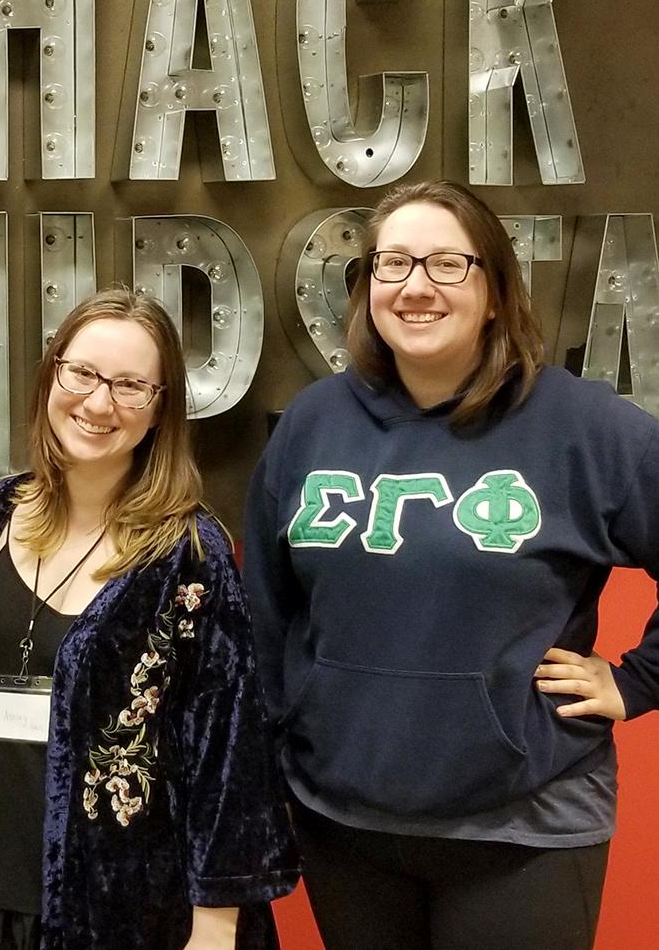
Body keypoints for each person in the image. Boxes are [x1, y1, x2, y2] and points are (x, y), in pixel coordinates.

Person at [243, 180, 659, 950]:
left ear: (496, 290)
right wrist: (283, 734)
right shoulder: (313, 423)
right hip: (346, 823)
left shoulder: (582, 426)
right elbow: (265, 612)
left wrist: (636, 682)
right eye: (392, 264)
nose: (415, 286)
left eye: (447, 263)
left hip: (522, 826)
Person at [0, 287, 298, 950]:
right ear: (52, 371)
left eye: (129, 385)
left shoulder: (189, 554)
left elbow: (230, 755)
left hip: (120, 911)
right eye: (82, 372)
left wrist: (216, 927)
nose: (96, 402)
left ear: (159, 409)